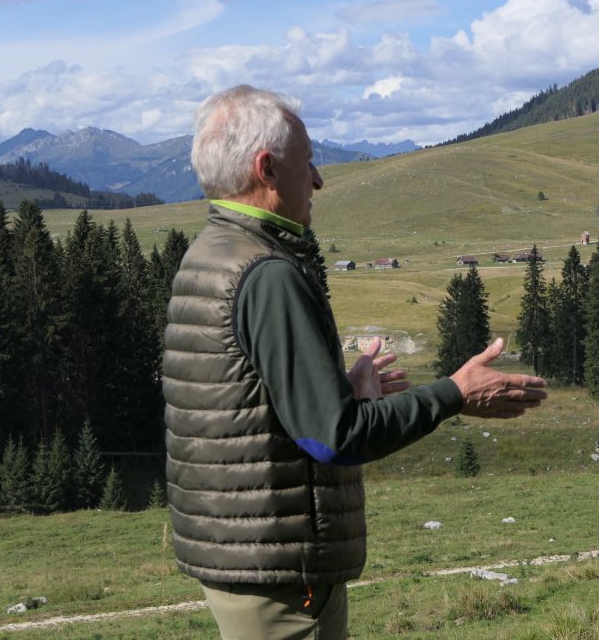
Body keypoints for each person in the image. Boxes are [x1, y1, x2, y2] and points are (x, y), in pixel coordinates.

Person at [163, 84, 547, 639]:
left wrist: (334, 389)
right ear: (267, 169)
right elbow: (333, 438)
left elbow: (244, 405)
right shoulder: (268, 274)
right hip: (283, 574)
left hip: (242, 554)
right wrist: (456, 392)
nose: (317, 179)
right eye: (308, 163)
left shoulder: (212, 251)